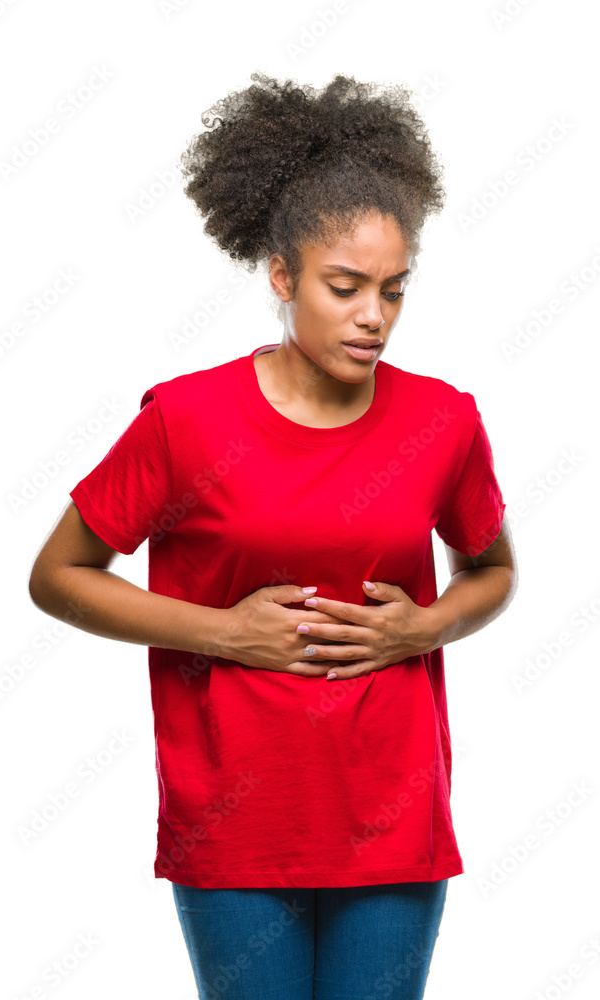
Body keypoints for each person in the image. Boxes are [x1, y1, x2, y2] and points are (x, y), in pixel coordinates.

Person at [28, 72, 517, 1000]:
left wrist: (424, 627)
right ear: (283, 277)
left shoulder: (444, 421)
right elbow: (58, 575)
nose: (373, 316)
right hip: (235, 819)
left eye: (394, 290)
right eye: (345, 287)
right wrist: (225, 633)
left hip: (393, 816)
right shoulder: (186, 421)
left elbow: (491, 569)